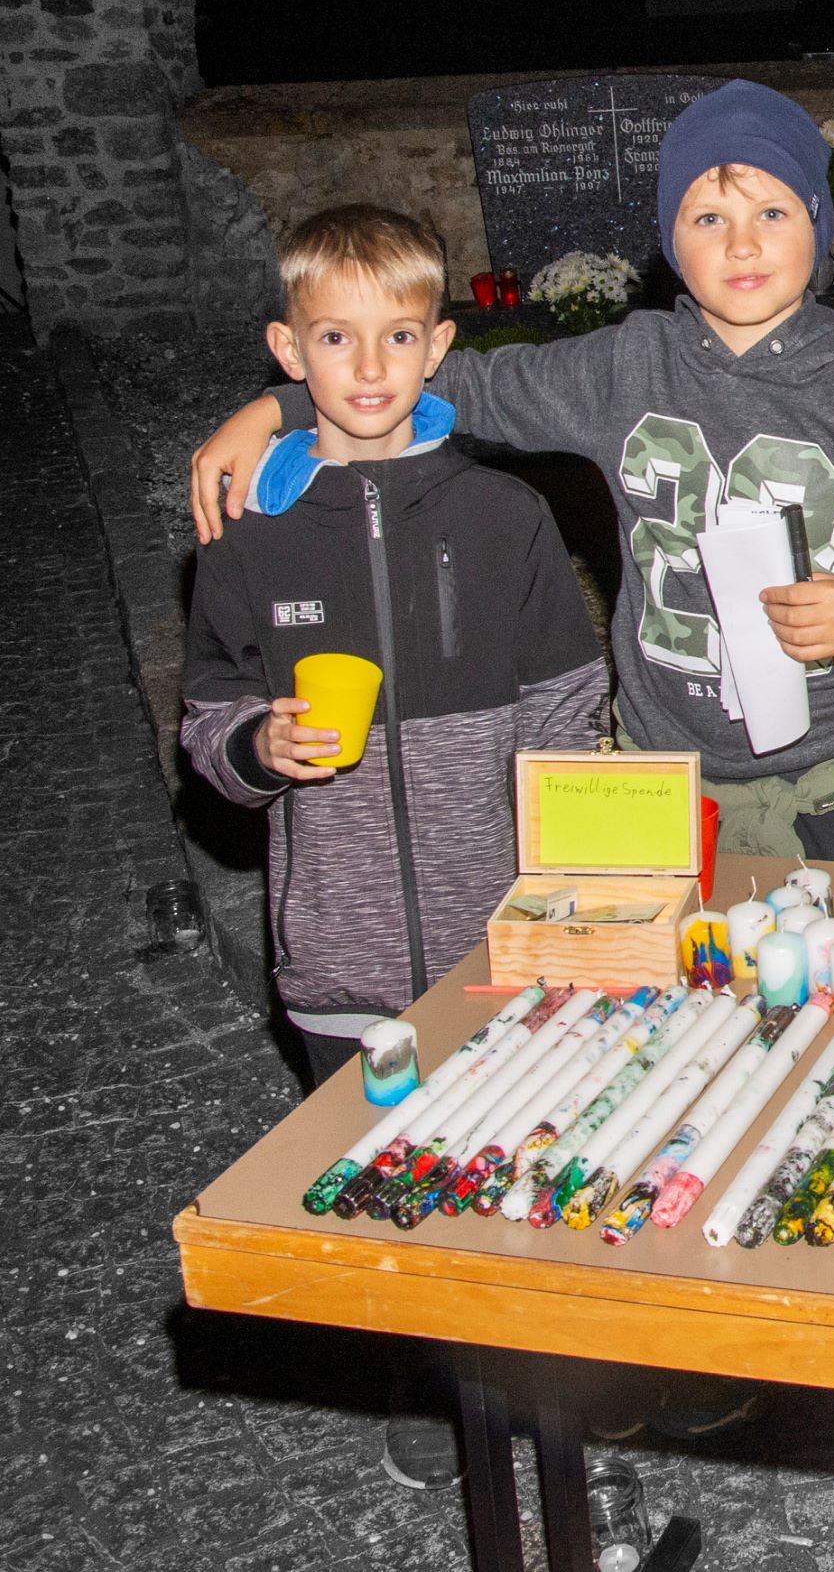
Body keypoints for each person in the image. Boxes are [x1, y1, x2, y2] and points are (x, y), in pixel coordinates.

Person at [187, 82, 834, 868]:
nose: (741, 245)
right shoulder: (624, 369)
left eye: (772, 213)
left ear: (816, 223)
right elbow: (450, 380)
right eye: (708, 218)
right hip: (670, 781)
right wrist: (281, 406)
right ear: (670, 239)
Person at [179, 203, 606, 1492]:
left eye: (398, 336)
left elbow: (566, 707)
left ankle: (547, 1389)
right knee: (385, 1180)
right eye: (335, 338)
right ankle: (426, 1392)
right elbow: (206, 721)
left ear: (440, 346)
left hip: (496, 944)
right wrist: (259, 746)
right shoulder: (250, 535)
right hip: (344, 956)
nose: (369, 366)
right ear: (287, 350)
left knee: (521, 1166)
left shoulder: (503, 515)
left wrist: (573, 887)